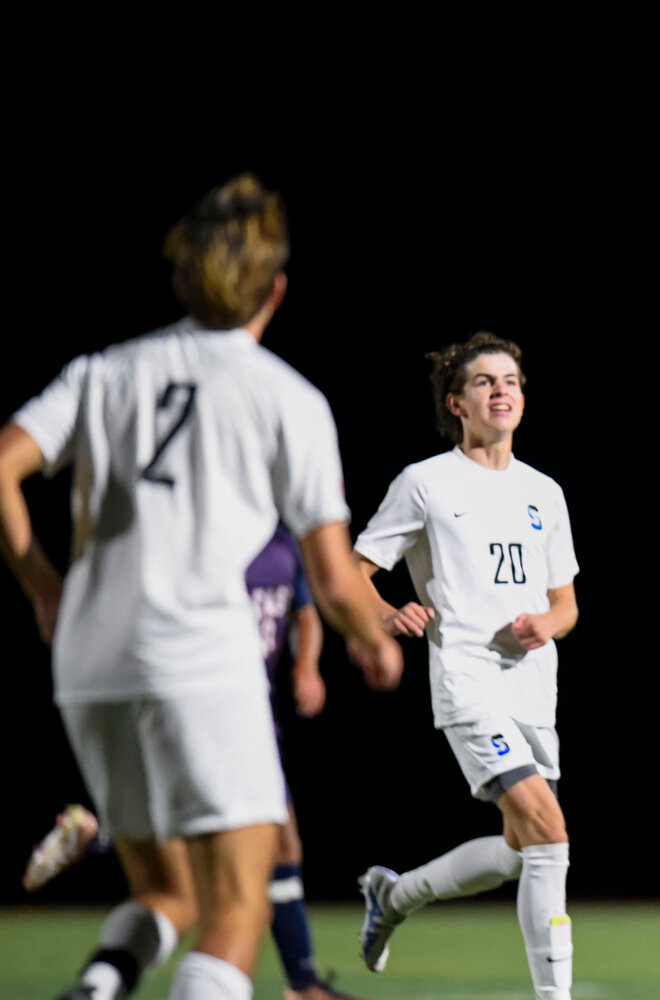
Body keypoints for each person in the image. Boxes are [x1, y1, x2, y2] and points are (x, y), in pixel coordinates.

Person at [0, 173, 402, 1000]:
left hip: (89, 662)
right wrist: (371, 638)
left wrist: (43, 585)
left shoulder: (103, 372)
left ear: (181, 279)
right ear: (276, 290)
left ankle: (97, 989)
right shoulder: (285, 396)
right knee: (236, 906)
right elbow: (331, 575)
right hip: (199, 660)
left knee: (165, 893)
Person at [19, 523, 371, 999]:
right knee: (240, 893)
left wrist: (306, 666)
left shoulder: (280, 536)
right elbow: (337, 582)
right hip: (213, 699)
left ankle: (97, 976)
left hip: (183, 692)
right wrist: (374, 636)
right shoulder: (220, 520)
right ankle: (303, 983)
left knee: (177, 886)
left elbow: (306, 610)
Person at [351, 332, 579, 999]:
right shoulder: (426, 483)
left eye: (511, 380)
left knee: (522, 850)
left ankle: (394, 895)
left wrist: (547, 622)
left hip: (534, 690)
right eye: (485, 382)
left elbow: (566, 605)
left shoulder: (545, 492)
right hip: (468, 682)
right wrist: (387, 614)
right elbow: (354, 570)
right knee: (549, 832)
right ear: (456, 402)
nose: (502, 390)